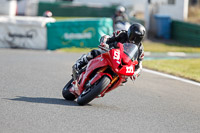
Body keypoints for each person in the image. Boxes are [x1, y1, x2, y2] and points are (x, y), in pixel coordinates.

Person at [72, 23, 146, 81]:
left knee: (124, 80)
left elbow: (139, 65)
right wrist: (104, 43)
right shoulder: (122, 33)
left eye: (137, 39)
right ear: (129, 33)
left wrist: (135, 73)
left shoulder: (140, 49)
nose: (133, 40)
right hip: (110, 51)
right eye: (133, 37)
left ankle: (104, 87)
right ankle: (78, 64)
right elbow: (107, 37)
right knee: (96, 52)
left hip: (122, 62)